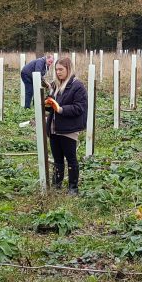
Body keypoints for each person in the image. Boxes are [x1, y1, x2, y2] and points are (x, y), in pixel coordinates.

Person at [44, 57, 87, 195]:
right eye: (56, 69)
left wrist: (61, 109)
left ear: (69, 69)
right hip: (54, 128)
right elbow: (51, 104)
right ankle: (56, 186)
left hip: (68, 129)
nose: (58, 72)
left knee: (71, 159)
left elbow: (79, 108)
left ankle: (73, 188)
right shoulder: (55, 85)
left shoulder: (77, 86)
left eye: (61, 69)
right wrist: (47, 104)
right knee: (57, 159)